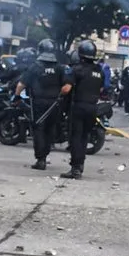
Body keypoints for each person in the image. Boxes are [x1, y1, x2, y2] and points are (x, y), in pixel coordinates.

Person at [15, 39, 69, 171]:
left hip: (38, 103)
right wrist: (59, 97)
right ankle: (45, 153)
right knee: (49, 129)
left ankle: (41, 159)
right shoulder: (59, 68)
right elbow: (67, 86)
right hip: (54, 104)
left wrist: (16, 96)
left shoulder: (35, 66)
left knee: (38, 129)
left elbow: (21, 84)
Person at [61, 40, 106, 180]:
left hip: (78, 107)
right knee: (84, 137)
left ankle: (75, 169)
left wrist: (61, 93)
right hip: (92, 107)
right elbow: (101, 89)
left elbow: (67, 88)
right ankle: (80, 166)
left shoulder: (76, 69)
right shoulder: (99, 71)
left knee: (75, 137)